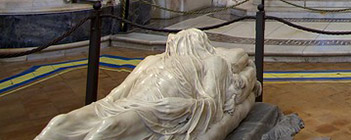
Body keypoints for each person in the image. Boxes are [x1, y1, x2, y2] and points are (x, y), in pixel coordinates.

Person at [36, 29, 258, 140]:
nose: (179, 40)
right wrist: (103, 104)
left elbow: (210, 102)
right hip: (126, 103)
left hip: (159, 109)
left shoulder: (213, 62)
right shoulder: (154, 60)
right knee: (59, 123)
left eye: (187, 38)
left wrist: (181, 106)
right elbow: (117, 93)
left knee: (107, 128)